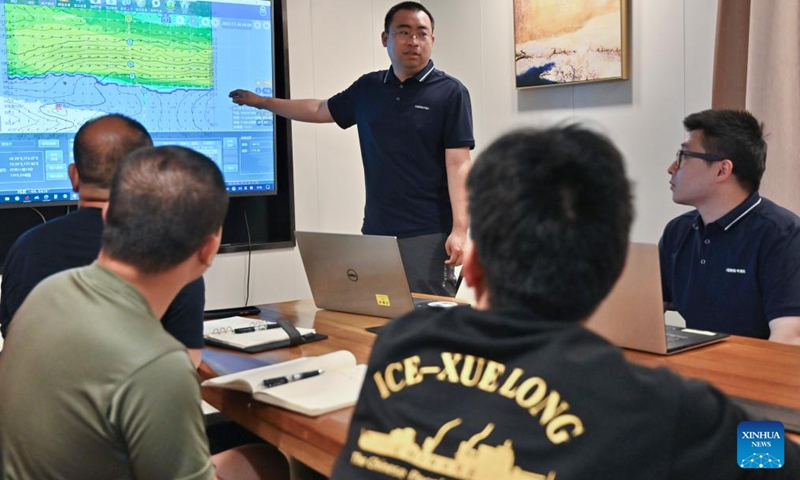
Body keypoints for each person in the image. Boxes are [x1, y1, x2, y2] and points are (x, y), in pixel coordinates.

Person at [329, 126, 800, 479]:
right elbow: (777, 460)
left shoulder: (399, 344)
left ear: (471, 268)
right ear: (616, 273)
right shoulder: (658, 408)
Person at [0, 146, 289, 480]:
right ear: (208, 250)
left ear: (107, 217)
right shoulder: (157, 365)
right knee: (266, 462)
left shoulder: (46, 293)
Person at [229, 1, 474, 296]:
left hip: (428, 233)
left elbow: (458, 164)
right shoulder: (369, 88)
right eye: (404, 32)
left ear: (432, 40)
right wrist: (264, 102)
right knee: (376, 316)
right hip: (376, 231)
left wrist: (460, 229)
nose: (414, 41)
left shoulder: (450, 92)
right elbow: (321, 109)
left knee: (425, 324)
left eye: (422, 34)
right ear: (385, 38)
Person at [0, 114, 206, 366]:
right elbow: (187, 365)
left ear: (74, 176)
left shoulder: (27, 248)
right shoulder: (173, 254)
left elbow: (15, 344)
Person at [660, 109, 800, 345]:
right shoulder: (677, 232)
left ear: (722, 170)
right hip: (694, 370)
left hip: (753, 374)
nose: (672, 167)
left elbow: (790, 337)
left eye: (683, 156)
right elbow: (643, 316)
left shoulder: (783, 236)